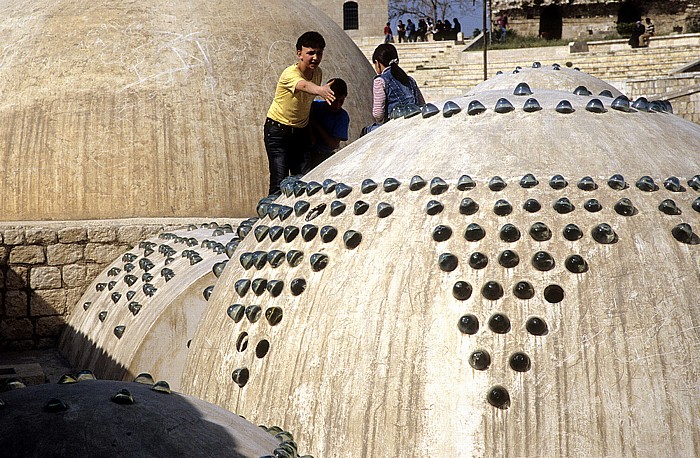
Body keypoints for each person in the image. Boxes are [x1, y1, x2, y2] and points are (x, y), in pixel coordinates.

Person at [264, 31, 335, 195]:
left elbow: (306, 103)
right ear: (299, 54)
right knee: (279, 183)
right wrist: (320, 90)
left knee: (303, 181)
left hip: (300, 133)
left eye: (319, 53)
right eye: (310, 53)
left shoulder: (318, 73)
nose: (315, 58)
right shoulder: (290, 73)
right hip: (278, 132)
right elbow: (303, 86)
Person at [361, 43, 425, 135]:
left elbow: (378, 114)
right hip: (415, 122)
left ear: (377, 62)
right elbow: (422, 104)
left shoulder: (380, 81)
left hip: (394, 126)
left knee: (366, 131)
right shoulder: (410, 80)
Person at [308, 78, 350, 168]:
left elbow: (333, 144)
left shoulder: (342, 117)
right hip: (308, 154)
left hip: (325, 157)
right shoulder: (314, 107)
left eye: (341, 101)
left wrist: (316, 125)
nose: (337, 105)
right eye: (334, 100)